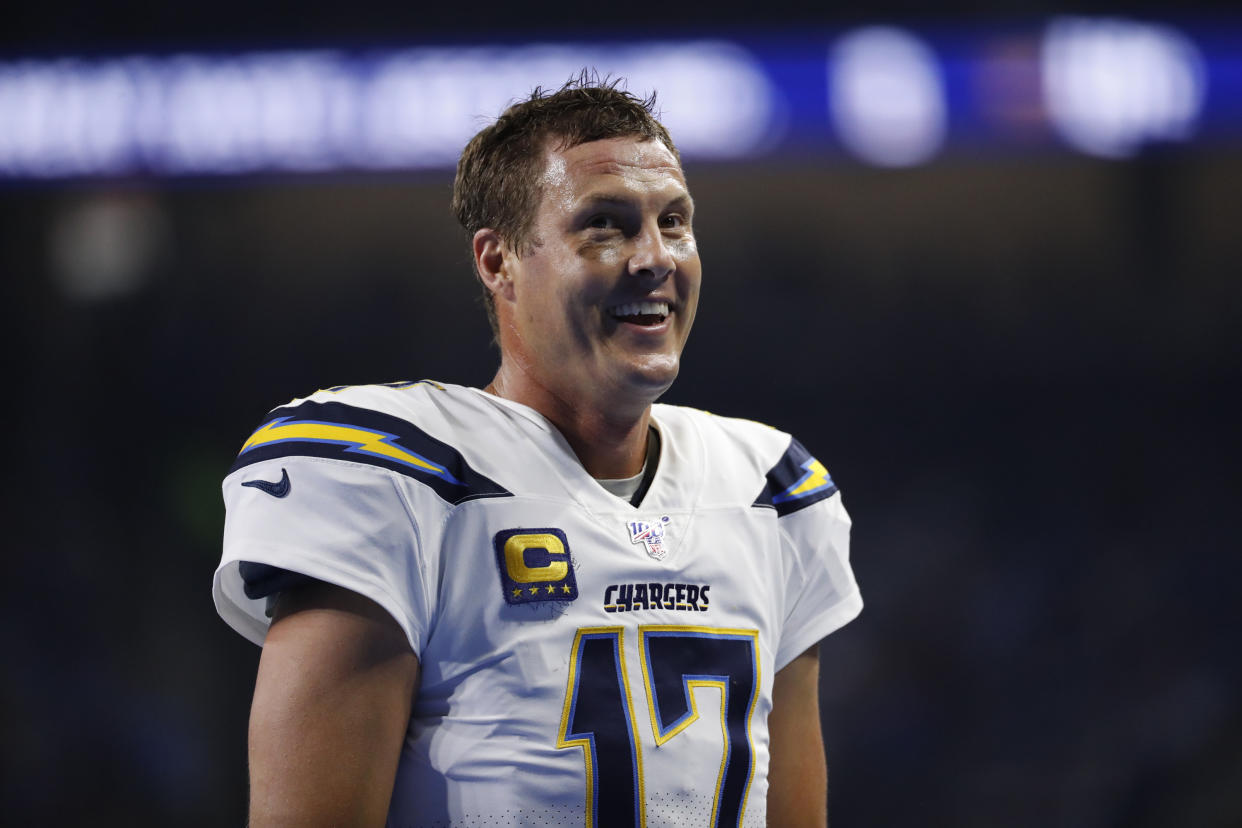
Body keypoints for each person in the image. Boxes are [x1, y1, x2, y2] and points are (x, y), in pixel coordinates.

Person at [213, 75, 862, 827]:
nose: (656, 258)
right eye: (606, 226)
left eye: (675, 222)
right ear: (498, 262)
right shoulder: (395, 471)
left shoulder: (770, 488)